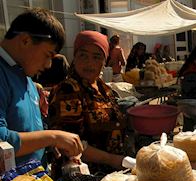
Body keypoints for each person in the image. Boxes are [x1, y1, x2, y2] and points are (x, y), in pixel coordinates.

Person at [0, 8, 83, 166]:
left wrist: (53, 146)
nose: (48, 65)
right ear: (25, 40)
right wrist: (53, 137)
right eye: (48, 55)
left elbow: (30, 131)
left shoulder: (24, 75)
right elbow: (2, 142)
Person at [48, 31, 127, 172]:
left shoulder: (103, 88)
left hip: (111, 172)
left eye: (97, 57)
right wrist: (111, 159)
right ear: (75, 57)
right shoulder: (68, 90)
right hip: (82, 176)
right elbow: (68, 145)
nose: (89, 63)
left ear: (104, 61)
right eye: (83, 55)